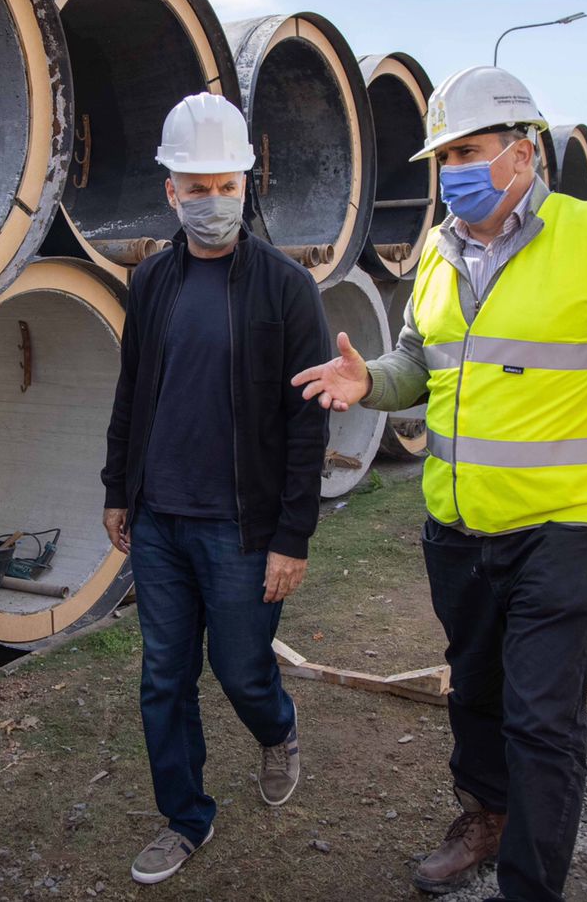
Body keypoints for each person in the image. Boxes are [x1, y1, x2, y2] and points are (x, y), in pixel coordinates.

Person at [291, 67, 587, 902]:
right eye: (443, 155)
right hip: (457, 525)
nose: (452, 169)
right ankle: (485, 818)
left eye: (470, 150)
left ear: (522, 154)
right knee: (476, 696)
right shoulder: (440, 251)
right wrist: (367, 382)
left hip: (561, 527)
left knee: (542, 718)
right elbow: (420, 362)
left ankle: (530, 886)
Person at [101, 93, 331, 886]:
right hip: (161, 522)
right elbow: (132, 394)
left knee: (240, 670)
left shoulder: (285, 289)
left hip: (242, 530)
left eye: (224, 186)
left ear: (246, 184)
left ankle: (277, 729)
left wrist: (291, 537)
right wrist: (117, 488)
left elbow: (308, 426)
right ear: (171, 191)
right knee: (164, 676)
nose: (211, 202)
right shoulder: (153, 282)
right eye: (194, 188)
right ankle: (185, 816)